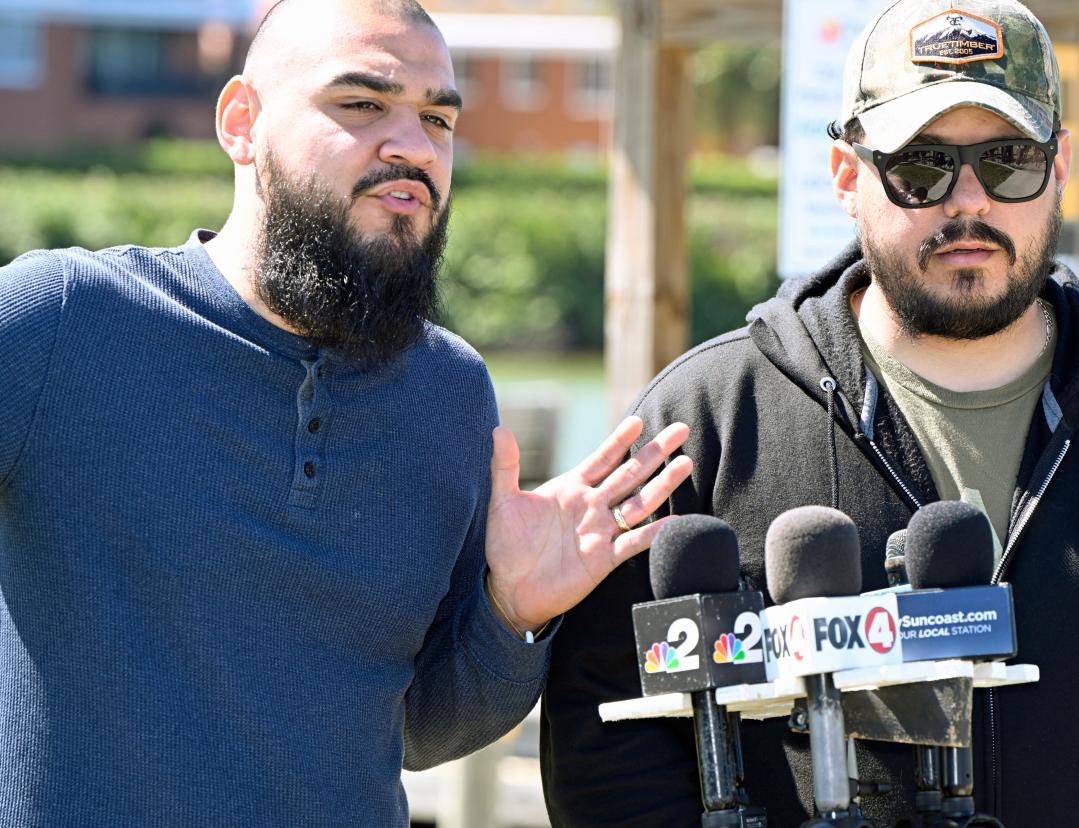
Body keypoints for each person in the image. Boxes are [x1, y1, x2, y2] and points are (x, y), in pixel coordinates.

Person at [541, 0, 1079, 825]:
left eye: (1009, 159)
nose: (969, 201)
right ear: (847, 175)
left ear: (1060, 169)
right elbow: (605, 739)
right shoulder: (703, 424)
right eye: (922, 166)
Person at [0, 1, 693, 824]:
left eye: (437, 117)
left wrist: (512, 616)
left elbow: (412, 728)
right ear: (241, 122)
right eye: (362, 105)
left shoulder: (452, 393)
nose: (412, 147)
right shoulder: (60, 321)